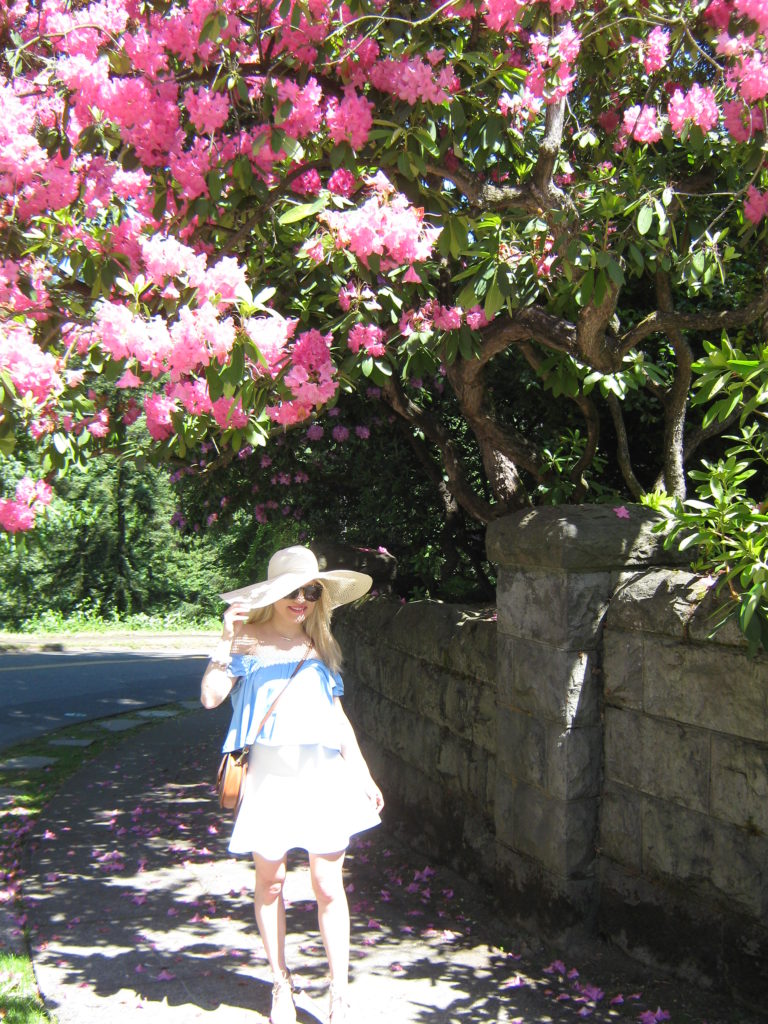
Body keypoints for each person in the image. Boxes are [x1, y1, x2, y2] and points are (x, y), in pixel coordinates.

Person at [200, 545, 385, 1024]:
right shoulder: (247, 640)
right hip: (268, 776)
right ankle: (281, 983)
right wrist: (224, 641)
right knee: (272, 881)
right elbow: (210, 697)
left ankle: (338, 994)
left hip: (321, 775)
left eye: (311, 590)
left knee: (327, 884)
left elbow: (337, 717)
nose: (302, 599)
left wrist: (362, 773)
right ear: (274, 593)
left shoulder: (320, 643)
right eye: (293, 591)